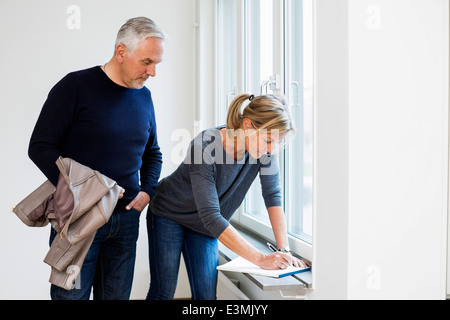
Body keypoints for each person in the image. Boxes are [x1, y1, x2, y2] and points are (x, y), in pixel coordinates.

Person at [28, 17, 165, 300]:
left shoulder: (144, 97)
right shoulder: (75, 86)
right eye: (146, 61)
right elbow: (40, 147)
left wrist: (148, 191)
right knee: (70, 297)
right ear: (121, 51)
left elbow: (153, 153)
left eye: (156, 64)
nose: (152, 72)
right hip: (79, 220)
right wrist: (79, 191)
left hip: (125, 223)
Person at [146, 93, 311, 300]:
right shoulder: (204, 147)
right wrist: (260, 259)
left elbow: (272, 195)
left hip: (204, 226)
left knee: (206, 296)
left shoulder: (265, 152)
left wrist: (284, 249)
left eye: (277, 143)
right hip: (168, 214)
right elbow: (212, 216)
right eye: (268, 140)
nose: (271, 149)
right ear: (248, 125)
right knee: (163, 291)